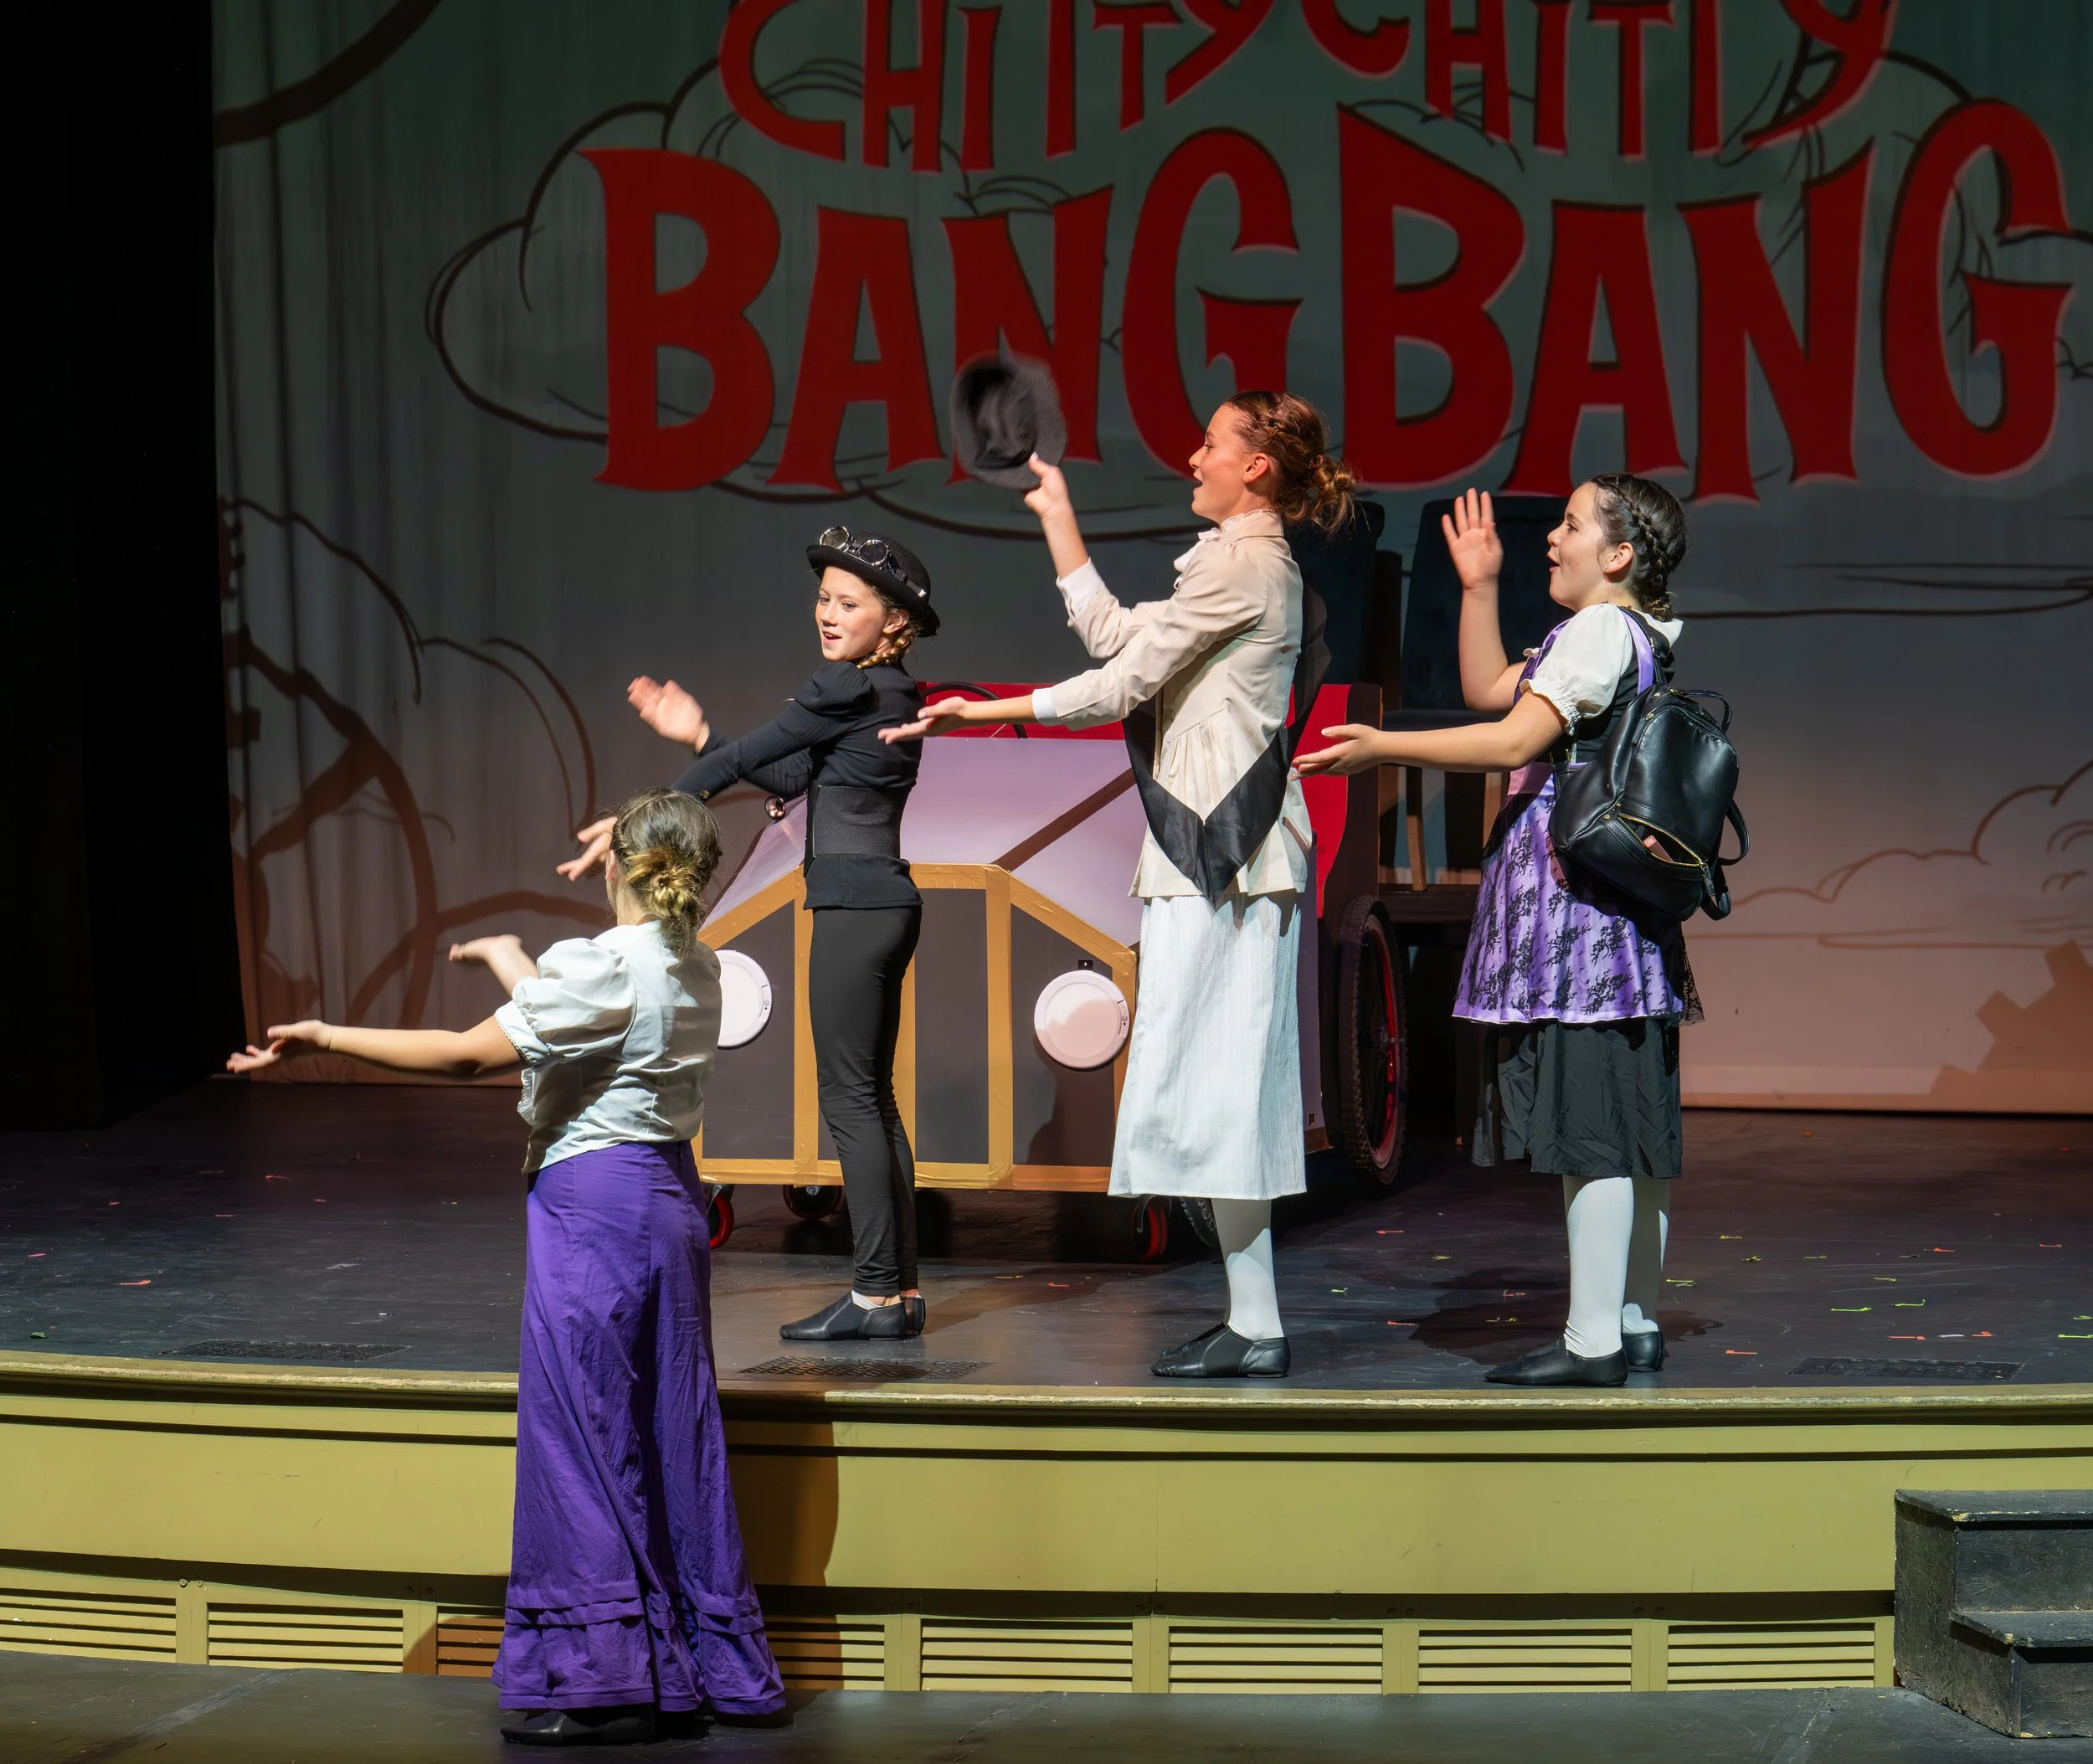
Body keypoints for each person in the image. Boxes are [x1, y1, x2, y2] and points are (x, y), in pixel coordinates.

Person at [228, 789, 785, 1746]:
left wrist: (323, 1037)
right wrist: (504, 956)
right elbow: (574, 1017)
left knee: (583, 1431)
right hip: (667, 1205)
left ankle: (607, 1682)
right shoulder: (698, 964)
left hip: (595, 1211)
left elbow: (462, 1056)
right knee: (668, 1428)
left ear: (616, 865)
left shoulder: (602, 966)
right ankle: (702, 1664)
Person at [887, 392, 1358, 1379]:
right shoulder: (1234, 564)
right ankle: (1252, 1319)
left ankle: (1257, 1324)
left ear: (1255, 466)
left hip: (1229, 848)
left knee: (1224, 1083)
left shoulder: (1242, 565)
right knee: (1211, 1078)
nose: (1192, 456)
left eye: (1210, 443)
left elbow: (1118, 687)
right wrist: (1058, 517)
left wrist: (989, 711)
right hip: (1209, 849)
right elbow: (1117, 641)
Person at [1295, 476, 1697, 1388]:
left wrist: (1382, 745)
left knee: (1592, 1126)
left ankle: (1592, 1340)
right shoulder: (1625, 634)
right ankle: (1631, 1319)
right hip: (1616, 916)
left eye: (1570, 525)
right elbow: (1489, 689)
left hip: (1581, 916)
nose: (1551, 538)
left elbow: (1514, 741)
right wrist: (1478, 585)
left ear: (1619, 555)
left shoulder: (1600, 631)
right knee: (1626, 1122)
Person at [562, 529, 938, 1342]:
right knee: (872, 1101)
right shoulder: (890, 692)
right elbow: (792, 776)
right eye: (823, 598)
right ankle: (898, 1293)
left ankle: (876, 1295)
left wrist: (636, 824)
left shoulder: (846, 685)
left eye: (848, 603)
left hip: (852, 909)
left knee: (852, 1101)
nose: (828, 614)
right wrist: (701, 734)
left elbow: (745, 768)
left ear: (893, 619)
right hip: (884, 904)